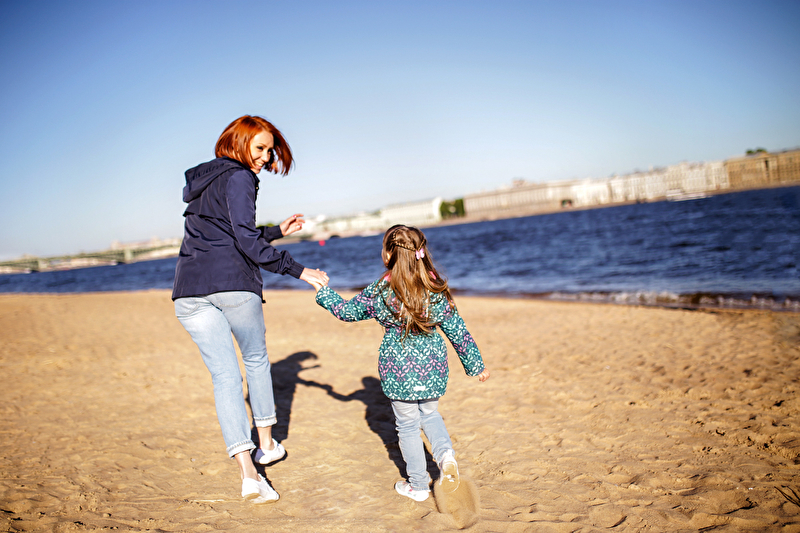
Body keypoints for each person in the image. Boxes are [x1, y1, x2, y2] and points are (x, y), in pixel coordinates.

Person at [172, 115, 329, 503]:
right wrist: (300, 270)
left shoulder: (203, 179)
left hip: (188, 292)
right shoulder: (241, 177)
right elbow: (245, 242)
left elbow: (228, 231)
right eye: (260, 148)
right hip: (234, 285)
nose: (265, 157)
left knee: (224, 378)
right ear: (238, 142)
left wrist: (276, 231)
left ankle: (248, 475)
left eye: (270, 151)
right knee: (256, 361)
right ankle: (267, 447)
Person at [308, 224, 490, 502]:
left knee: (407, 426)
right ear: (421, 252)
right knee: (431, 415)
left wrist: (324, 292)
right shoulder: (434, 287)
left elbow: (347, 311)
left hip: (398, 371)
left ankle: (418, 485)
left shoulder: (380, 290)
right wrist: (476, 366)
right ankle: (446, 457)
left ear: (387, 255)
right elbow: (457, 330)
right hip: (432, 368)